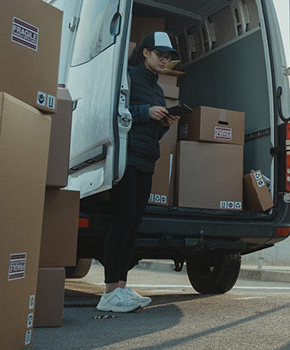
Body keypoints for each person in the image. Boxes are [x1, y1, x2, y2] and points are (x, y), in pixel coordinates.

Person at [96, 32, 181, 313]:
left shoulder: (158, 89)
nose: (164, 60)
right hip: (125, 157)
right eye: (160, 54)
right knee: (122, 220)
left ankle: (121, 286)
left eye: (168, 57)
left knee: (134, 224)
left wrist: (165, 121)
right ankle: (109, 291)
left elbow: (153, 133)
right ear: (145, 52)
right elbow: (112, 111)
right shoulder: (128, 77)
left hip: (146, 160)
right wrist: (146, 112)